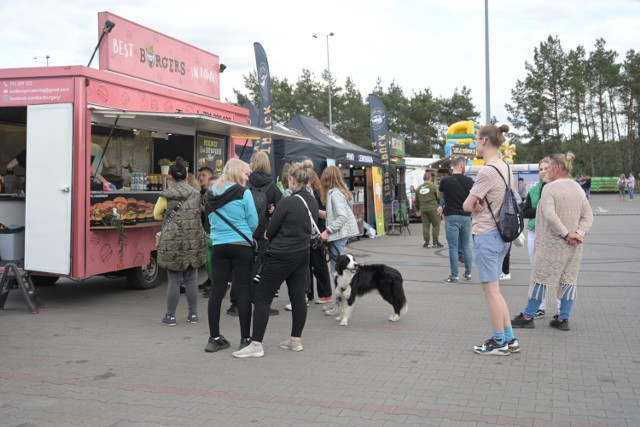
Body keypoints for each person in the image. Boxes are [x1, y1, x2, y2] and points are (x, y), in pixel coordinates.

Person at [232, 160, 319, 358]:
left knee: (262, 297)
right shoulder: (312, 201)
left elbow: (270, 232)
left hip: (280, 255)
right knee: (298, 296)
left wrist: (268, 231)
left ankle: (256, 344)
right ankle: (295, 340)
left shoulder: (288, 201)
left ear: (292, 179)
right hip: (302, 254)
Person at [511, 152, 593, 331]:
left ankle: (528, 316)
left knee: (540, 278)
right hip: (573, 247)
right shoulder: (578, 188)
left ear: (556, 168)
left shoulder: (550, 188)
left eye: (548, 168)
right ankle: (563, 319)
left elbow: (549, 215)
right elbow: (588, 215)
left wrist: (565, 234)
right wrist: (578, 233)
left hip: (550, 245)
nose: (545, 171)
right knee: (568, 280)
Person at [462, 124, 517, 356]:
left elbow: (466, 205)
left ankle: (499, 342)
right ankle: (509, 338)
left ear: (484, 141)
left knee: (491, 292)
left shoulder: (486, 171)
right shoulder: (505, 166)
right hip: (503, 234)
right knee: (496, 290)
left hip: (487, 234)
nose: (475, 144)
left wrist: (474, 202)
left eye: (476, 139)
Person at [204, 159, 258, 353]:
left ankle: (214, 338)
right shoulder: (245, 193)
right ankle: (245, 339)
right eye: (246, 173)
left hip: (219, 245)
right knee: (243, 289)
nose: (248, 176)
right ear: (237, 172)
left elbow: (208, 219)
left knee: (217, 290)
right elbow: (253, 222)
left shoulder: (211, 193)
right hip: (242, 245)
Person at [154, 157, 207, 327]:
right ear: (185, 176)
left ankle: (170, 317)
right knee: (192, 278)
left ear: (172, 178)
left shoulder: (166, 195)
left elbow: (156, 214)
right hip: (192, 240)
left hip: (173, 242)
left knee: (174, 280)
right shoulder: (196, 193)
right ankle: (193, 315)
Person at [229, 151, 282, 317]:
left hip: (242, 231)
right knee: (259, 269)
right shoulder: (272, 186)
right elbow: (280, 210)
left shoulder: (244, 182)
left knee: (239, 268)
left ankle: (235, 304)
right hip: (262, 232)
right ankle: (258, 302)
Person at [319, 165, 360, 317]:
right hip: (341, 235)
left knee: (337, 272)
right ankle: (338, 302)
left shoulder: (334, 194)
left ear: (327, 178)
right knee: (338, 272)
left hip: (338, 235)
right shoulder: (341, 193)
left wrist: (328, 230)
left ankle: (338, 305)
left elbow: (341, 217)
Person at [522, 158, 557, 318]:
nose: (543, 171)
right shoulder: (534, 189)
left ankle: (560, 310)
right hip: (534, 232)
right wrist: (542, 211)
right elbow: (525, 212)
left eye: (546, 168)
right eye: (540, 169)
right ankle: (540, 307)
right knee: (536, 270)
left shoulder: (558, 188)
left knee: (555, 272)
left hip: (553, 234)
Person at [437, 156, 474, 283]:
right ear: (462, 166)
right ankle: (468, 273)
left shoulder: (445, 181)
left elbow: (440, 195)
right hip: (466, 216)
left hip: (451, 216)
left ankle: (454, 275)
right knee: (466, 246)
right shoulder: (469, 181)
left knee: (453, 247)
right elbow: (473, 197)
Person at [197, 167, 214, 296]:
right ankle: (210, 280)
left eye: (203, 175)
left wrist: (200, 208)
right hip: (206, 227)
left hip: (212, 229)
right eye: (200, 175)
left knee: (211, 259)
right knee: (207, 259)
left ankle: (214, 283)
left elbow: (209, 209)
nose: (201, 178)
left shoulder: (212, 192)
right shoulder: (204, 192)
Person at [415, 172, 442, 248]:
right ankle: (435, 242)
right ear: (430, 178)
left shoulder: (419, 188)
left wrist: (417, 210)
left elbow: (416, 201)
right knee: (436, 225)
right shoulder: (434, 187)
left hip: (423, 209)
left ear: (423, 179)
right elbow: (438, 197)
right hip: (433, 208)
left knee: (425, 226)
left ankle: (426, 242)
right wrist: (440, 205)